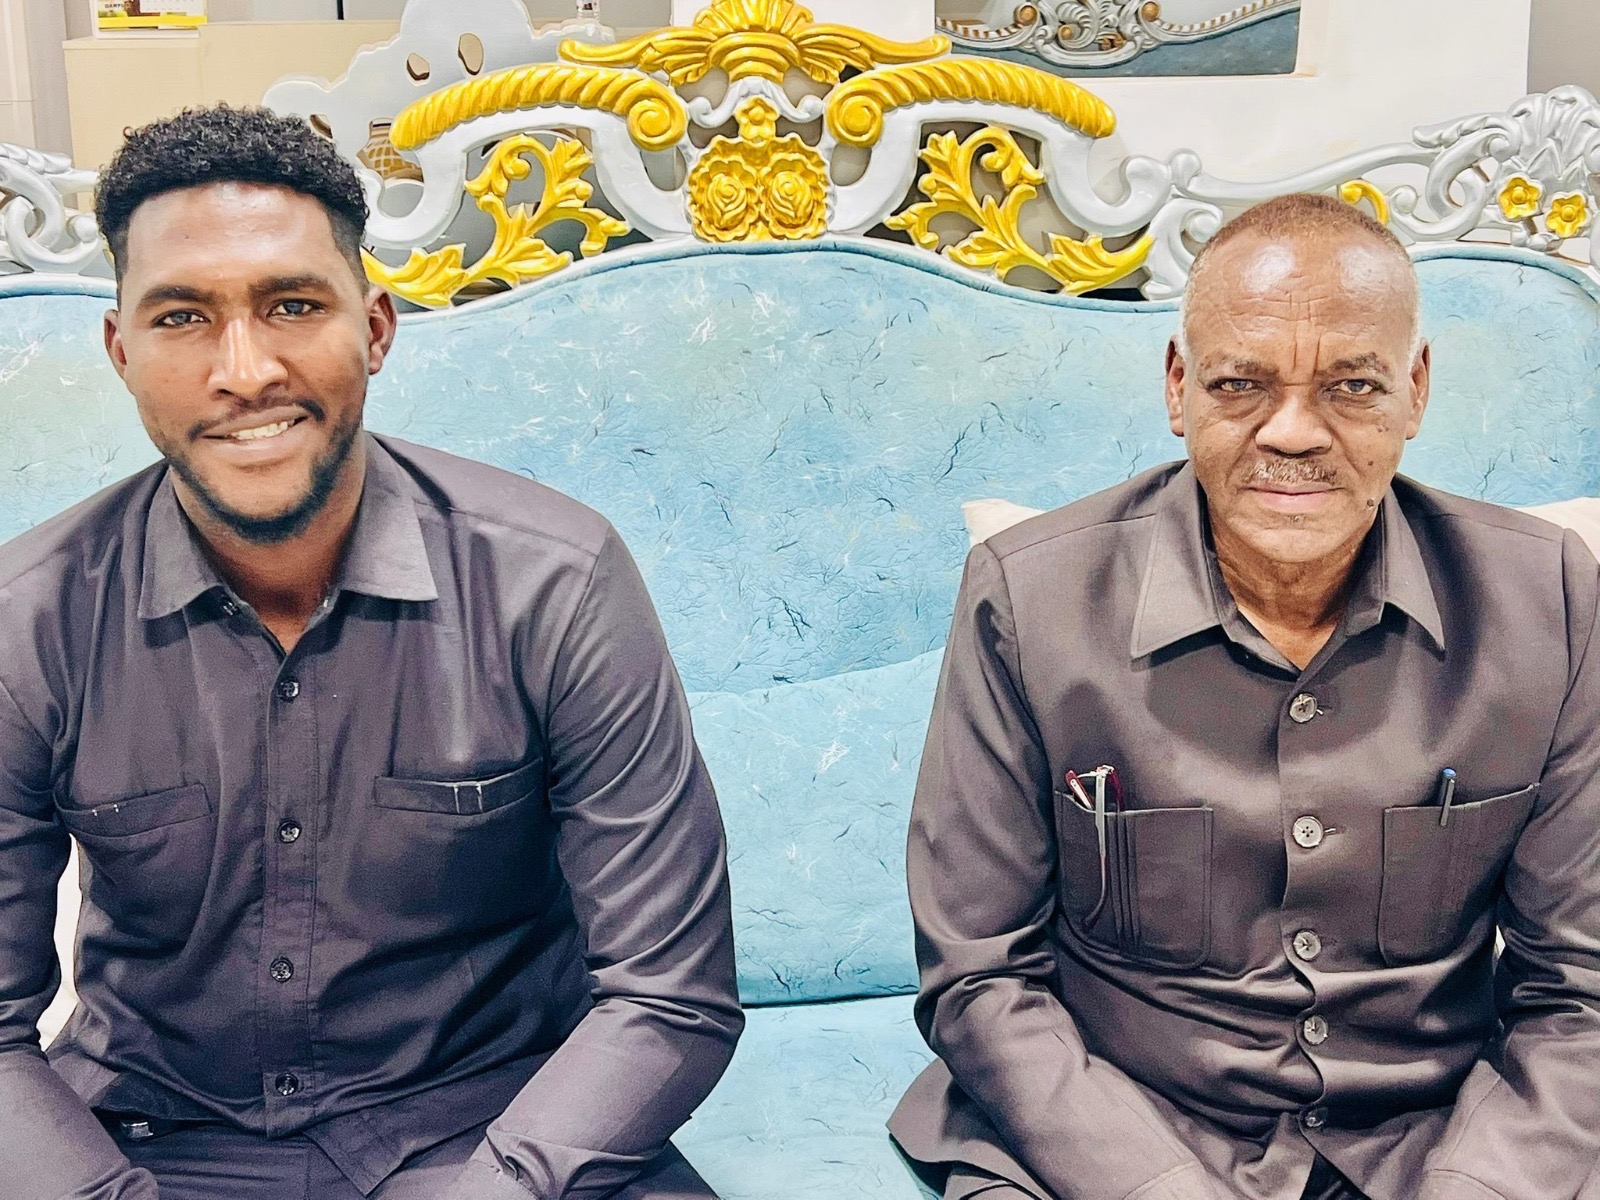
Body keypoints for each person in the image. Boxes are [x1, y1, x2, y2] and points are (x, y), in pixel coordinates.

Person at [0, 105, 742, 1200]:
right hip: (157, 1133)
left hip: (497, 1133)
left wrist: (502, 1185)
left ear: (377, 328)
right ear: (122, 352)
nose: (245, 370)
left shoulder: (554, 582)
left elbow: (669, 993)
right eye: (183, 317)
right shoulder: (28, 620)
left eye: (292, 305)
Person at [888, 193, 1600, 1200]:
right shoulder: (1029, 598)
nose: (1294, 432)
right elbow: (980, 977)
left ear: (1414, 391)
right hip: (1107, 1134)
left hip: (1437, 1135)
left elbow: (1579, 988)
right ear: (1178, 388)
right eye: (1241, 383)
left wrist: (1479, 1186)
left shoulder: (1551, 599)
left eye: (1352, 385)